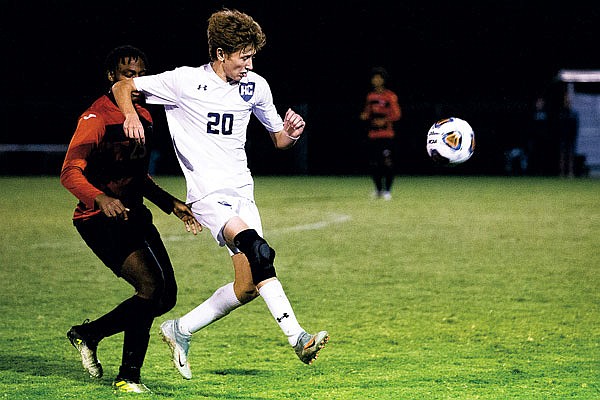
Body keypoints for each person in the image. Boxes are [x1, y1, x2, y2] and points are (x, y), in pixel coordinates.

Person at [111, 9, 329, 380]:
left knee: (247, 287)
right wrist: (130, 114)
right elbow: (122, 86)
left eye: (252, 55)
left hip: (243, 192)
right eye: (243, 56)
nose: (250, 63)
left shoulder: (255, 86)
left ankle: (180, 330)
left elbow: (278, 139)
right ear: (220, 53)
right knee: (260, 250)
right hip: (208, 195)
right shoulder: (184, 81)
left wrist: (292, 133)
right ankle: (298, 338)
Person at [60, 45, 201, 393]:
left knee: (165, 296)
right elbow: (69, 172)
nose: (135, 81)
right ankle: (128, 378)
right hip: (98, 219)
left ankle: (88, 334)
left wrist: (171, 204)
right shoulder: (95, 118)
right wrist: (100, 197)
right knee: (150, 288)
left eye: (140, 74)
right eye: (127, 74)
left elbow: (138, 177)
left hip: (134, 214)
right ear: (112, 77)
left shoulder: (145, 116)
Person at [360, 67, 402, 200]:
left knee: (387, 163)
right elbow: (367, 112)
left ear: (383, 80)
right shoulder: (370, 96)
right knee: (374, 163)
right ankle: (378, 190)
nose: (376, 80)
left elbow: (397, 114)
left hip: (386, 135)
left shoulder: (390, 96)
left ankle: (387, 191)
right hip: (373, 135)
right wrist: (365, 116)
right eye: (374, 78)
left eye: (379, 78)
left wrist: (384, 120)